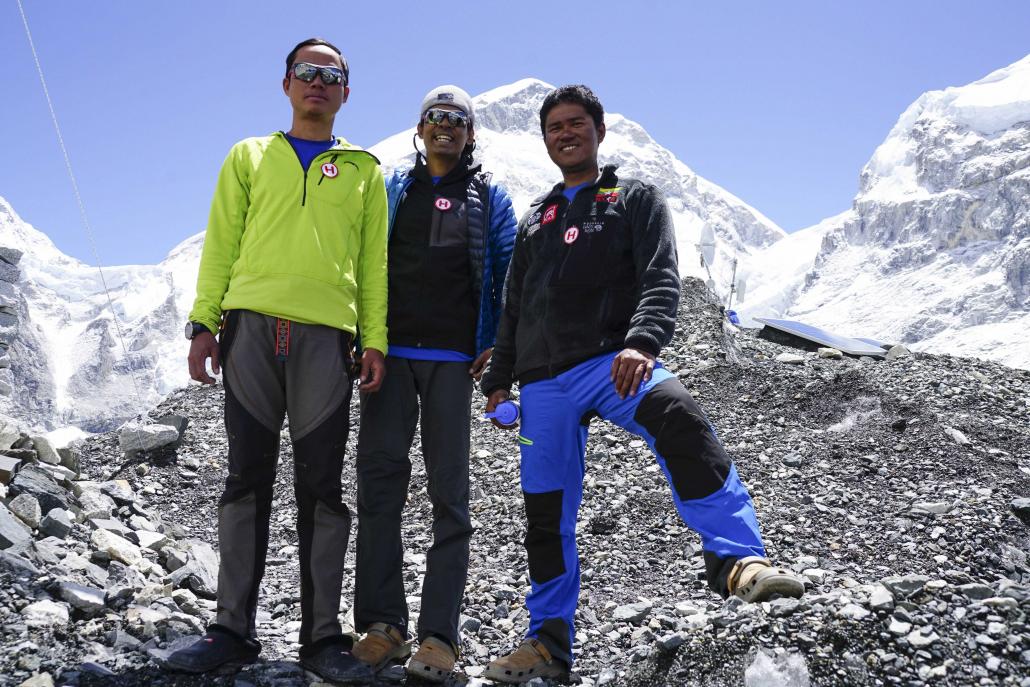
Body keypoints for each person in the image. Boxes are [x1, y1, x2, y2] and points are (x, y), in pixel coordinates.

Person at [479, 85, 804, 683]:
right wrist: (499, 381)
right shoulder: (536, 220)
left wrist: (642, 342)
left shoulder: (633, 198)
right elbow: (513, 308)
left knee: (679, 416)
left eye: (576, 124)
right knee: (545, 511)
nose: (565, 134)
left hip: (612, 362)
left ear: (599, 132)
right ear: (545, 139)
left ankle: (739, 562)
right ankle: (548, 643)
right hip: (542, 385)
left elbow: (660, 276)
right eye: (554, 127)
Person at [165, 38, 387, 684]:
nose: (318, 83)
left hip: (327, 337)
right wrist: (204, 322)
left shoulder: (365, 172)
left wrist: (373, 337)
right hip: (250, 331)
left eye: (331, 76)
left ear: (347, 91)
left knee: (322, 488)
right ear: (286, 84)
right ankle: (231, 628)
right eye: (307, 73)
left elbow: (372, 264)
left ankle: (322, 638)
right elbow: (221, 243)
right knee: (244, 479)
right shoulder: (248, 157)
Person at [350, 85, 517, 682]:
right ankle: (383, 625)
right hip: (388, 355)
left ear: (471, 132)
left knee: (450, 496)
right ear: (418, 129)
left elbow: (509, 270)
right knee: (380, 486)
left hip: (454, 360)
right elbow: (363, 259)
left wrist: (498, 343)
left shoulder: (490, 197)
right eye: (435, 117)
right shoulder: (392, 188)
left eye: (457, 119)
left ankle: (438, 636)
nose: (445, 126)